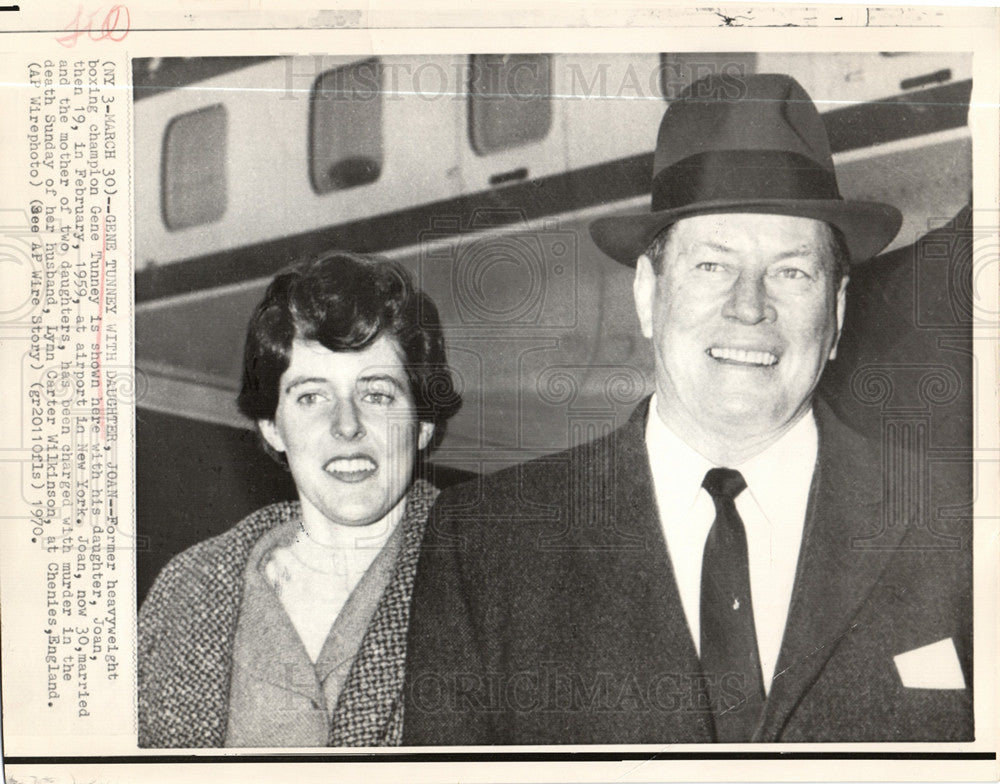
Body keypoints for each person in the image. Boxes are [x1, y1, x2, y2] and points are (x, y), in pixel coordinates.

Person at [402, 74, 972, 744]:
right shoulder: (488, 545)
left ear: (838, 310)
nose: (750, 307)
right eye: (712, 266)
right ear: (648, 294)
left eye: (792, 271)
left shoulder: (961, 526)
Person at [138, 251, 461, 747]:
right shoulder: (185, 590)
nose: (346, 426)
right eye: (311, 396)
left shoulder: (486, 586)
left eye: (377, 394)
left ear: (422, 424)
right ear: (272, 425)